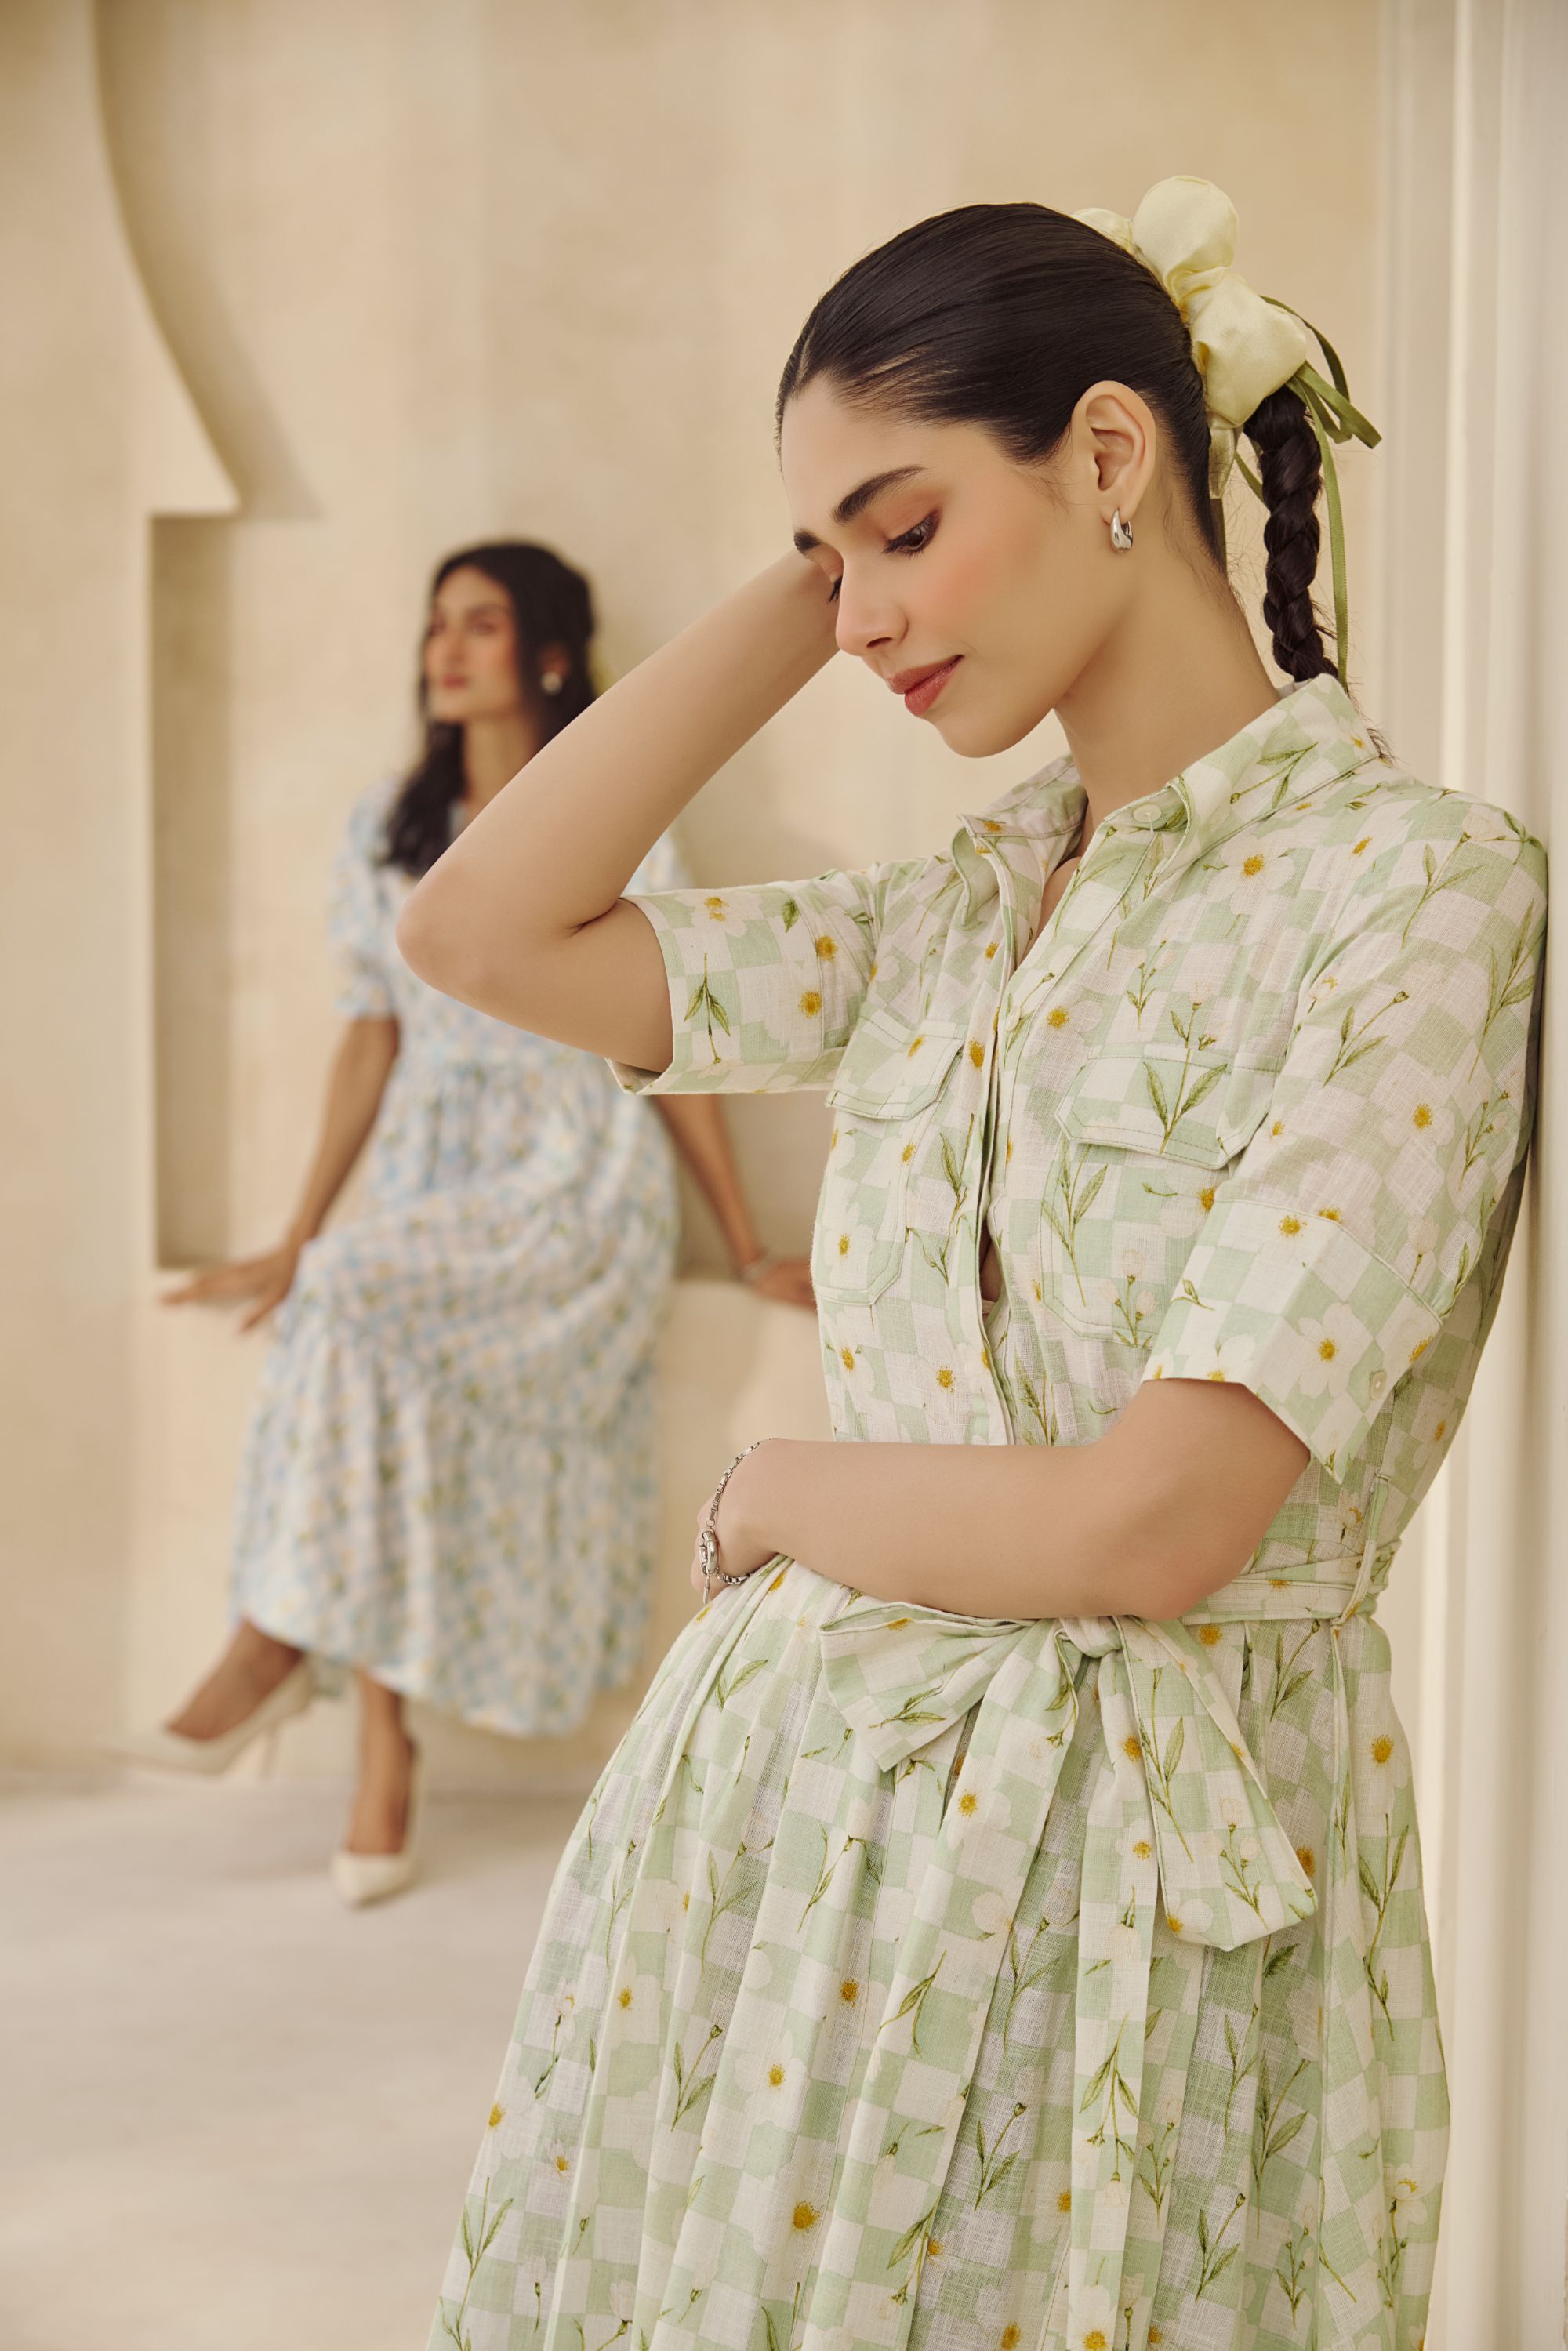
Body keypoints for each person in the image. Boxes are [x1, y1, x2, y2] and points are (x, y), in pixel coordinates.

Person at [403, 187, 1544, 2350]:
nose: (861, 619)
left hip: (1135, 1889)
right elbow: (477, 933)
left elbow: (1160, 1520)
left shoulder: (1410, 899)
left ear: (1113, 453)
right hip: (782, 1852)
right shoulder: (950, 910)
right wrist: (812, 581)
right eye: (830, 561)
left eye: (906, 530)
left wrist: (772, 1495)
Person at [122, 541, 811, 1907]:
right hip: (432, 1177)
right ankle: (378, 1749)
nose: (445, 649)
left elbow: (671, 1034)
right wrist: (297, 1233)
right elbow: (368, 1042)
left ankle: (274, 1649)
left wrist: (739, 1242)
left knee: (351, 1303)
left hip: (570, 1179)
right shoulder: (388, 829)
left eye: (480, 624)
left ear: (549, 653)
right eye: (436, 624)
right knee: (349, 1316)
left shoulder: (615, 815)